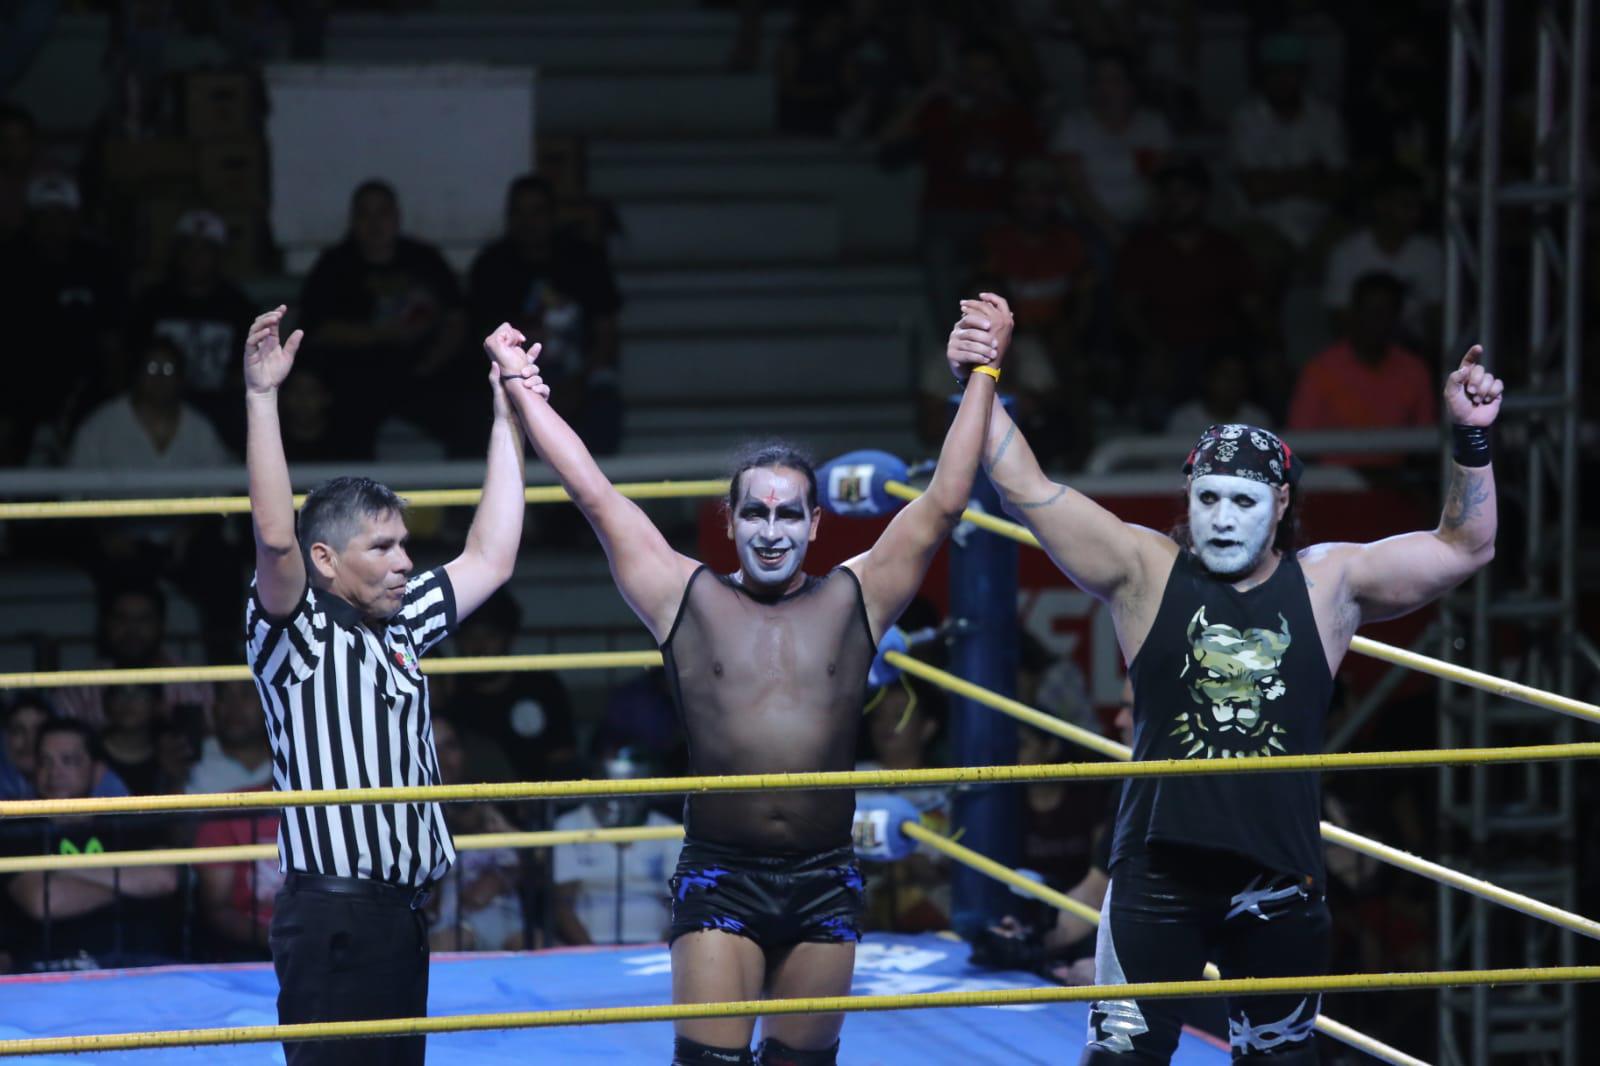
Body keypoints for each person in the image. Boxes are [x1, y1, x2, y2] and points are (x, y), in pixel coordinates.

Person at [952, 291, 1501, 1064]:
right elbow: (1025, 485)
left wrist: (1471, 438)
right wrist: (981, 374)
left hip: (1279, 879)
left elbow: (1466, 547)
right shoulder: (1145, 570)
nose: (1222, 517)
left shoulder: (1328, 583)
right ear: (1189, 497)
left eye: (1243, 500)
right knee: (1121, 1058)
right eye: (1207, 498)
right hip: (1156, 876)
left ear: (1280, 503)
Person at [488, 312, 1005, 1065]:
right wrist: (523, 388)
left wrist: (982, 373)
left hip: (825, 876)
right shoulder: (686, 598)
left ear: (815, 523)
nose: (771, 531)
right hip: (720, 874)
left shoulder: (854, 598)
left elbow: (944, 503)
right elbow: (594, 493)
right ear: (728, 521)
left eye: (788, 514)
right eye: (755, 513)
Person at [242, 304, 539, 1065]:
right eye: (382, 547)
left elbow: (492, 556)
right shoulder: (298, 634)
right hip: (335, 916)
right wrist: (263, 397)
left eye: (404, 544)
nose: (406, 561)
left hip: (402, 913)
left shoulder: (400, 622)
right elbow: (274, 538)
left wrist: (506, 413)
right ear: (326, 559)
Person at [298, 181, 467, 457]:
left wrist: (432, 362)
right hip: (355, 382)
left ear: (397, 216)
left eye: (383, 213)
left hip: (422, 376)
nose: (374, 223)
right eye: (365, 214)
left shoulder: (425, 259)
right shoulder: (334, 265)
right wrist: (383, 334)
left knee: (468, 409)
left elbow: (456, 320)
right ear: (353, 220)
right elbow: (316, 329)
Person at [0, 720, 179, 970]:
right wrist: (132, 887)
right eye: (45, 762)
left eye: (69, 761)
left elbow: (164, 878)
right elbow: (44, 901)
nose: (55, 773)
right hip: (49, 965)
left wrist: (60, 869)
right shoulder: (16, 828)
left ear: (97, 771)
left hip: (133, 962)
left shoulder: (125, 820)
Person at [467, 175, 623, 456]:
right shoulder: (491, 265)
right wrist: (519, 386)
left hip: (581, 375)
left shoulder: (584, 259)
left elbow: (606, 332)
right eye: (520, 212)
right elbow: (482, 338)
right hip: (514, 378)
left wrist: (578, 383)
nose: (528, 221)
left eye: (537, 211)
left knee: (603, 404)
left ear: (553, 214)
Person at [124, 209, 258, 451]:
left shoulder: (239, 307)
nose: (196, 257)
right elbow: (133, 359)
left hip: (219, 404)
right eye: (188, 248)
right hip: (159, 397)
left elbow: (246, 369)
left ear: (219, 255)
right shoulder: (152, 302)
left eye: (205, 249)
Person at [1287, 271, 1437, 464]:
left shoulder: (1415, 371)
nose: (1376, 320)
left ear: (1397, 317)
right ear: (1354, 313)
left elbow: (1426, 446)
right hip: (1332, 479)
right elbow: (1300, 445)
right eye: (1370, 311)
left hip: (1397, 479)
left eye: (1385, 312)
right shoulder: (1319, 370)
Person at [438, 587, 576, 784]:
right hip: (468, 799)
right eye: (470, 636)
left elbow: (563, 757)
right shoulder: (448, 693)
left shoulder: (542, 687)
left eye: (490, 636)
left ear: (510, 638)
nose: (479, 646)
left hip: (538, 796)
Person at [550, 746, 683, 946]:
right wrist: (594, 955)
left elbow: (682, 902)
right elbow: (562, 905)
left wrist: (658, 950)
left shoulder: (669, 829)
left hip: (657, 949)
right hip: (588, 951)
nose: (619, 798)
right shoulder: (569, 825)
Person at [185, 682, 273, 795]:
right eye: (225, 696)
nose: (234, 707)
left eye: (246, 695)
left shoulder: (289, 759)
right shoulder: (192, 763)